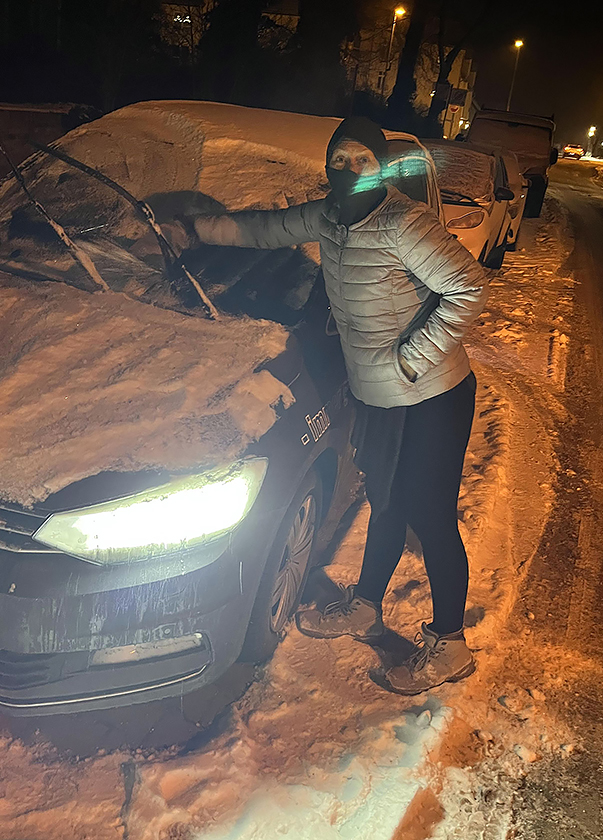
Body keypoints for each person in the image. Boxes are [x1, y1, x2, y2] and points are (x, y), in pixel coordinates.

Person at [186, 117, 488, 694]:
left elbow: (469, 286)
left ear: (381, 167)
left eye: (362, 159)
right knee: (385, 501)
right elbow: (264, 230)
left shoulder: (403, 222)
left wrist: (409, 359)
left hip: (433, 394)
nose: (350, 170)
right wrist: (196, 229)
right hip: (378, 396)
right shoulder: (328, 216)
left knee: (429, 515)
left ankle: (451, 644)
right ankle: (366, 606)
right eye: (340, 159)